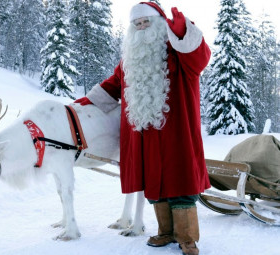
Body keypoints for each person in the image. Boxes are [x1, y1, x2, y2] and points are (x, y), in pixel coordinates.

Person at [75, 2, 211, 255]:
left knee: (180, 181)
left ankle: (187, 237)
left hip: (176, 132)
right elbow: (113, 85)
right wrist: (83, 103)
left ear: (159, 23)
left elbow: (200, 56)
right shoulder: (131, 60)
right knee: (154, 182)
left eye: (145, 21)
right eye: (136, 23)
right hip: (144, 133)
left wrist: (183, 31)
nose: (141, 26)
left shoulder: (179, 53)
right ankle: (165, 232)